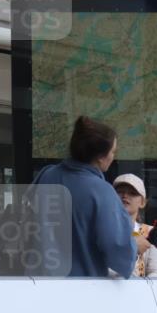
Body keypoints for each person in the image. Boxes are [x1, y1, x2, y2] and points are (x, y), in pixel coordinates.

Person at [28, 116, 137, 277]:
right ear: (100, 156)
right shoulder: (102, 191)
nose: (113, 157)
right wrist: (135, 246)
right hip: (80, 284)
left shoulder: (46, 176)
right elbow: (119, 253)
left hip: (37, 281)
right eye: (113, 151)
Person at [113, 173, 157, 278]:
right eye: (120, 192)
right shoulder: (103, 230)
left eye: (132, 193)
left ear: (143, 202)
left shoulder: (150, 232)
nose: (125, 196)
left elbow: (155, 272)